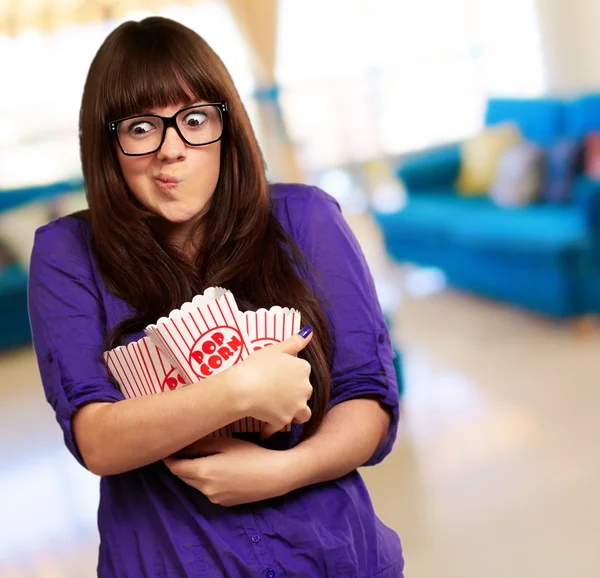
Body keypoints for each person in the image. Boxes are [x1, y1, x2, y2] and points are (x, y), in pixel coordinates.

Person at [28, 16, 403, 578]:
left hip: (330, 556)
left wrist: (284, 470)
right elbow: (97, 440)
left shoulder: (306, 218)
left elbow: (368, 401)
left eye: (195, 119)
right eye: (139, 128)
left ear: (228, 127)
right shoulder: (66, 253)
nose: (170, 151)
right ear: (107, 145)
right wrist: (237, 391)